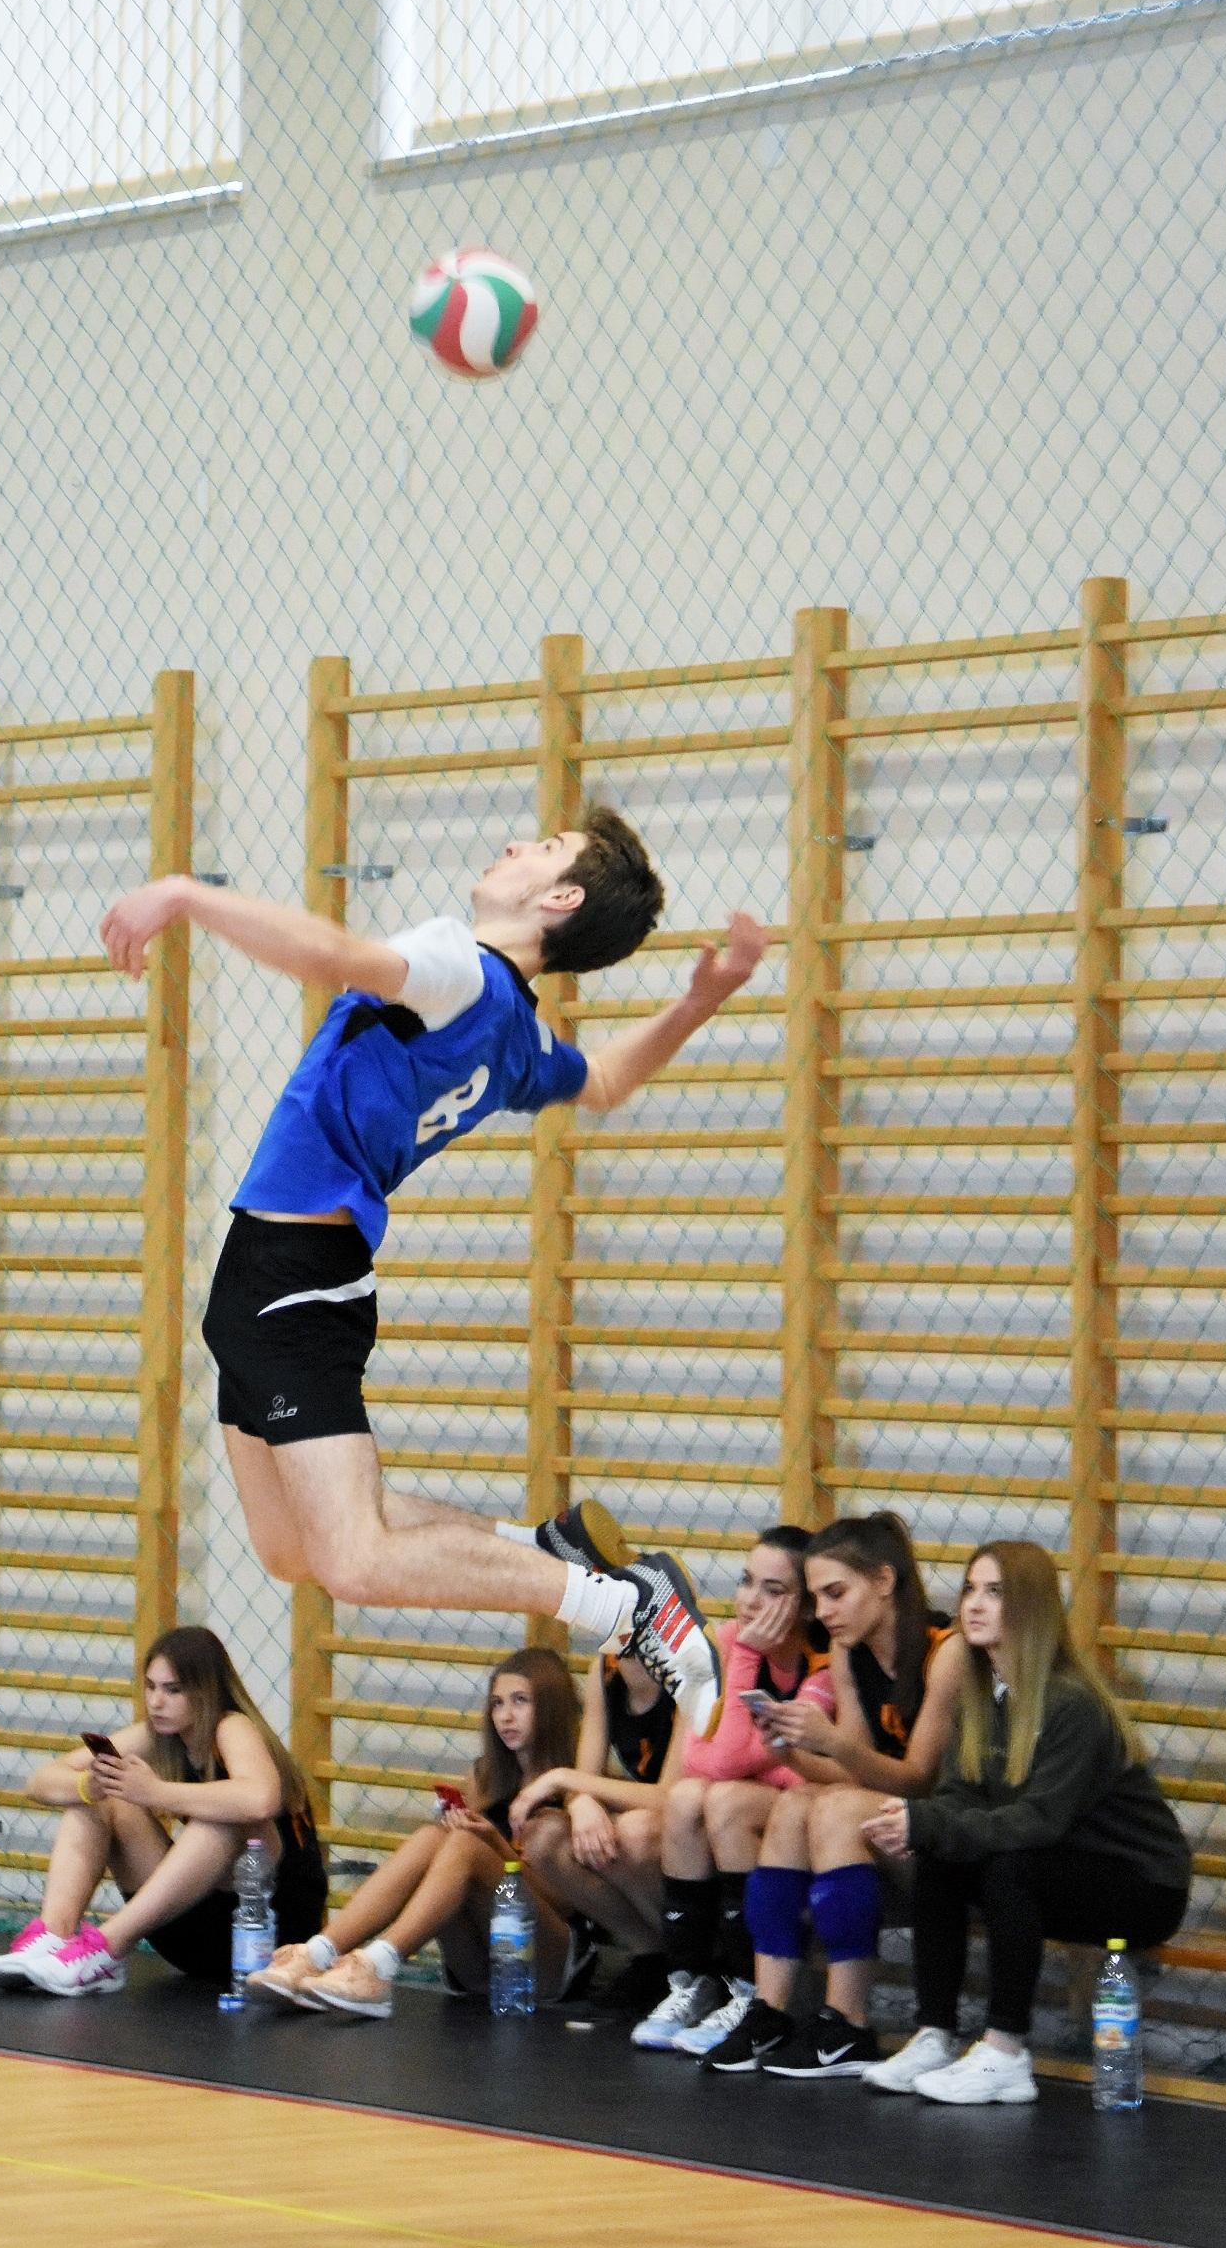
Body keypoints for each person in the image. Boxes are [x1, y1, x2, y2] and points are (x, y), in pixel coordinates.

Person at [100, 817, 767, 1726]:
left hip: (297, 1279)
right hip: (263, 1278)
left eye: (545, 847)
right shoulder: (513, 1032)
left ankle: (625, 1608)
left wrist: (183, 894)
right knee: (292, 1548)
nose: (516, 845)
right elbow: (605, 1083)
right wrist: (700, 1001)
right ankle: (548, 1548)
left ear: (560, 897)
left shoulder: (464, 969)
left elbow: (333, 956)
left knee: (355, 1559)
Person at [862, 1542, 1192, 2105]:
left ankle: (1006, 2051)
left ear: (1030, 1607)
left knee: (1010, 1868)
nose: (974, 1604)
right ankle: (935, 2033)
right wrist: (919, 1822)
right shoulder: (979, 1697)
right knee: (942, 1857)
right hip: (1061, 1866)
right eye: (970, 1589)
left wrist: (930, 1823)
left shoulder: (1072, 1704)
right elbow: (960, 1795)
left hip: (1141, 1884)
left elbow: (1040, 1821)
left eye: (995, 1592)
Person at [702, 1511, 962, 2076]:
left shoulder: (946, 1651)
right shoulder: (850, 1651)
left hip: (951, 1832)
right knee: (797, 1801)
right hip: (892, 1821)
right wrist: (789, 1751)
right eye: (817, 1597)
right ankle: (770, 2009)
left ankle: (849, 2022)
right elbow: (857, 1769)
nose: (822, 1612)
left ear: (885, 1581)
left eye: (836, 1593)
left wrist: (832, 1744)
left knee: (838, 1809)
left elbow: (919, 1778)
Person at [0, 1625, 325, 1994]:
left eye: (172, 1690)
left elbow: (260, 1799)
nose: (156, 1702)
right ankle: (54, 1936)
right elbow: (39, 1781)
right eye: (150, 1687)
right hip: (191, 1931)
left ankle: (105, 1949)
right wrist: (89, 1785)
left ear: (206, 1691)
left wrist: (156, 1792)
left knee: (222, 1819)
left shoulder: (232, 1725)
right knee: (102, 1797)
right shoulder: (160, 1736)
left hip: (270, 1939)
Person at [248, 1647, 582, 2017]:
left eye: (521, 1701)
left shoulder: (576, 1787)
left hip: (545, 1962)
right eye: (497, 1703)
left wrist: (493, 1845)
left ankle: (379, 1965)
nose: (505, 1716)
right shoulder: (484, 1777)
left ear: (550, 1708)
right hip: (480, 1962)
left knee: (466, 1845)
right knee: (432, 1837)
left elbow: (568, 1903)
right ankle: (317, 1953)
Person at [631, 1525, 832, 2056]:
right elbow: (700, 1761)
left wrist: (744, 1656)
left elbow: (724, 1762)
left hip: (809, 1815)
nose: (750, 1601)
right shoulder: (724, 1643)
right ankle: (692, 1983)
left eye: (773, 1590)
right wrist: (765, 1765)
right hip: (758, 1800)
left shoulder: (824, 1666)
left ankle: (751, 1992)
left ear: (806, 1608)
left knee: (724, 1799)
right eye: (746, 1581)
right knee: (686, 1799)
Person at [503, 1641, 687, 1977]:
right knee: (544, 1837)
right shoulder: (605, 1667)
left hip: (694, 1831)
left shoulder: (689, 1665)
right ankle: (649, 1953)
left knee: (633, 1832)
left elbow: (669, 1798)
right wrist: (581, 1801)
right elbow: (584, 1779)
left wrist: (563, 1778)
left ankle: (695, 1961)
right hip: (650, 1819)